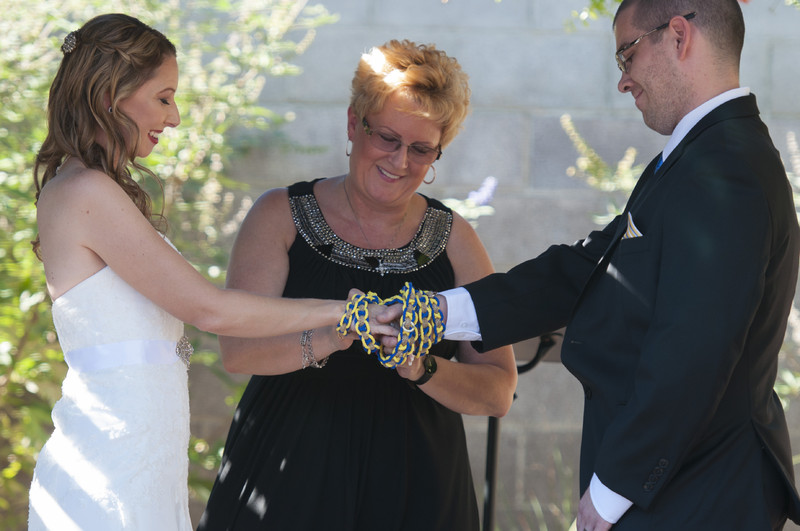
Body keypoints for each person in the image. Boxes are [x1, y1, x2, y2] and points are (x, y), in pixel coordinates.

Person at [431, 1, 800, 529]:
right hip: (683, 487)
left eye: (626, 55)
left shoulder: (726, 168)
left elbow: (694, 351)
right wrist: (436, 314)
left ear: (678, 36)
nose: (623, 81)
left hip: (700, 493)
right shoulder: (698, 155)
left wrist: (611, 491)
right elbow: (586, 268)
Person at [28, 14, 392, 531]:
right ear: (111, 94)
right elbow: (209, 309)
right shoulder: (86, 190)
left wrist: (336, 329)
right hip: (110, 471)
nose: (174, 117)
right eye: (164, 98)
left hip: (139, 467)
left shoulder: (89, 187)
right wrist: (346, 310)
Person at [196, 39, 517, 531]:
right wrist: (335, 332)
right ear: (354, 124)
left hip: (417, 484)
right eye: (387, 138)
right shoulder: (280, 215)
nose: (401, 161)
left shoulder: (455, 238)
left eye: (421, 149)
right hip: (290, 473)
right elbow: (239, 351)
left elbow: (497, 390)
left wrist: (421, 367)